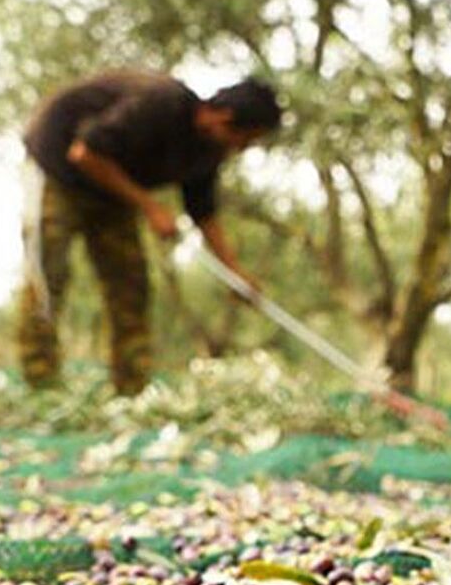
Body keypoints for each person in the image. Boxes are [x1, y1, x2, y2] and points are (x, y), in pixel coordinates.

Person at [18, 70, 283, 395]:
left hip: (112, 190)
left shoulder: (207, 152)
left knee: (130, 285)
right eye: (247, 139)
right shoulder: (161, 103)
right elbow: (84, 153)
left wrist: (235, 273)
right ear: (224, 118)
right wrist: (150, 206)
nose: (242, 149)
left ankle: (131, 390)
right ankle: (41, 382)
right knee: (49, 273)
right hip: (59, 171)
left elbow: (204, 213)